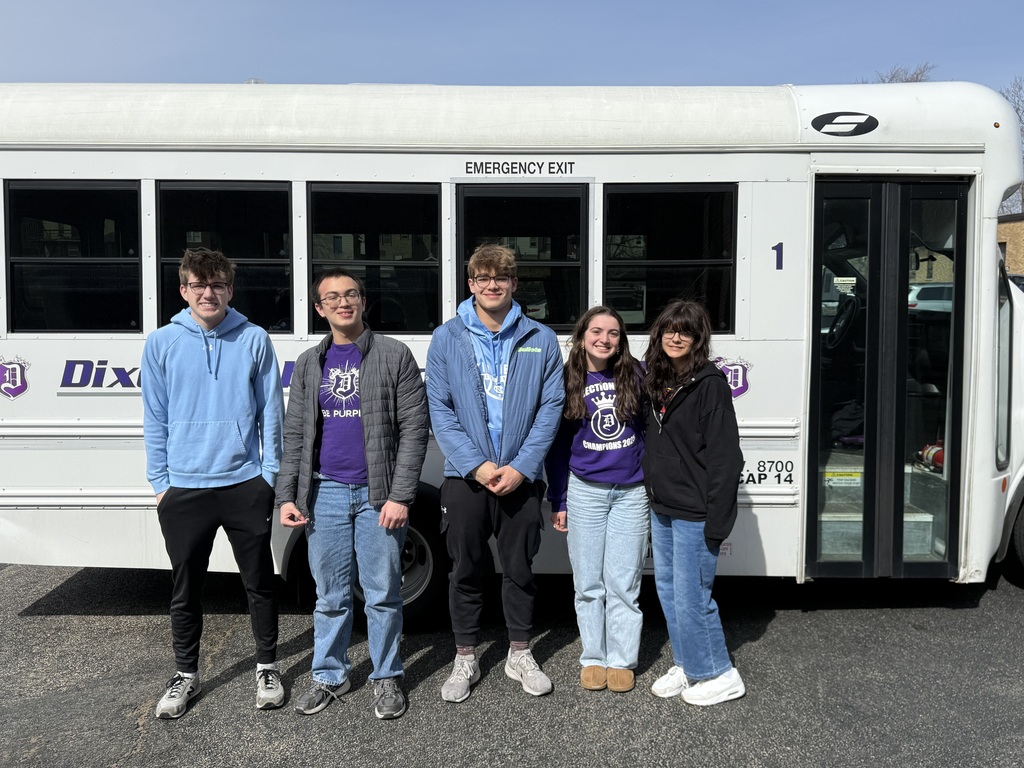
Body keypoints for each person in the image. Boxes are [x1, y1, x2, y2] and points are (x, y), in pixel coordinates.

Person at [276, 268, 428, 720]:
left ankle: (385, 676)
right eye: (333, 298)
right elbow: (295, 435)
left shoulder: (394, 355)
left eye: (352, 295)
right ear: (319, 308)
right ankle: (330, 673)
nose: (344, 303)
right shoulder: (309, 363)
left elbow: (415, 430)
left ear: (362, 301)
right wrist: (288, 495)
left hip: (378, 495)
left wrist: (401, 496)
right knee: (330, 594)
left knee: (382, 592)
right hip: (324, 492)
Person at [141, 247, 285, 719]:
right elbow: (154, 416)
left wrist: (267, 475)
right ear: (183, 290)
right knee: (186, 588)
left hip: (244, 482)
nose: (209, 293)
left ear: (230, 289)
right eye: (199, 285)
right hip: (184, 488)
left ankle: (267, 666)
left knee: (259, 583)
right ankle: (186, 673)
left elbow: (271, 413)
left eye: (218, 284)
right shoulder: (162, 342)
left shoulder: (254, 339)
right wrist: (161, 482)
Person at [425, 243, 564, 702]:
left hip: (521, 479)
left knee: (520, 568)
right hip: (466, 478)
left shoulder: (540, 338)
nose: (491, 285)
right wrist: (479, 466)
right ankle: (465, 655)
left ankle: (519, 652)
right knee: (465, 568)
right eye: (483, 278)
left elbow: (551, 407)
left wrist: (522, 468)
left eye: (500, 278)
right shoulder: (447, 337)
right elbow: (440, 409)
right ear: (471, 284)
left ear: (513, 284)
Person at [642, 299, 746, 706]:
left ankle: (719, 673)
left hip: (696, 512)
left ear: (699, 337)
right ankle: (688, 664)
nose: (676, 336)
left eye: (685, 330)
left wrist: (717, 522)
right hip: (664, 505)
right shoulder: (659, 380)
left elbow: (725, 458)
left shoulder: (710, 385)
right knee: (669, 591)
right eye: (670, 329)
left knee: (692, 596)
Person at [544, 306, 648, 693]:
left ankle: (621, 660)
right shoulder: (566, 377)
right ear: (581, 335)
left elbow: (651, 432)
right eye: (597, 331)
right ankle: (593, 657)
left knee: (624, 582)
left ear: (621, 340)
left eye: (614, 333)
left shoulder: (635, 374)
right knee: (588, 583)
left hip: (631, 493)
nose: (604, 339)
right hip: (584, 490)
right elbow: (556, 447)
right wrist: (559, 498)